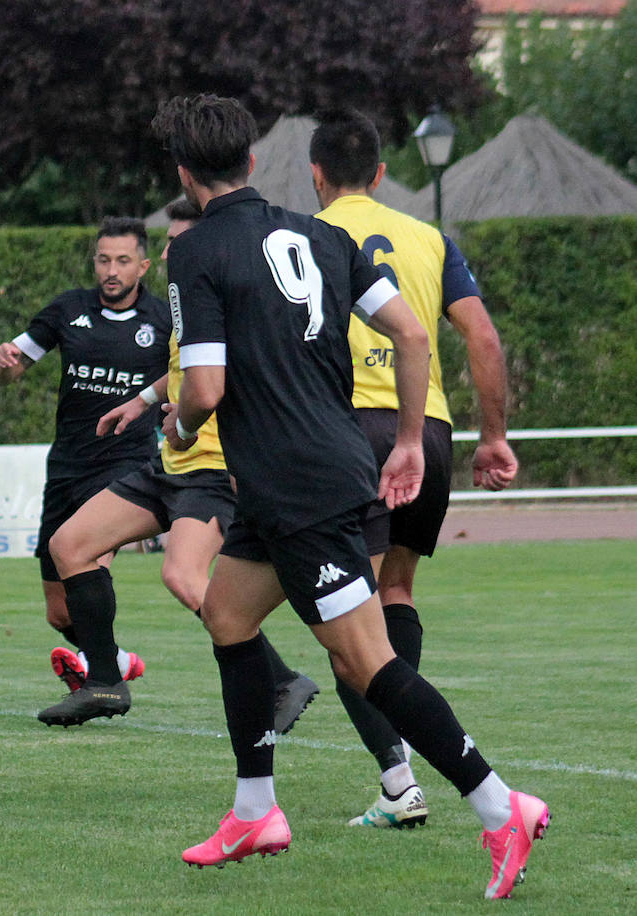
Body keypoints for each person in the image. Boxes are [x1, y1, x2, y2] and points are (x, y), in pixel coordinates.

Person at [156, 94, 546, 899]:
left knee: (364, 661)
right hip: (293, 480)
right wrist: (409, 438)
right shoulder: (321, 234)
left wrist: (176, 421)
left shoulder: (194, 253)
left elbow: (205, 385)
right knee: (228, 616)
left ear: (185, 175)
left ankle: (500, 806)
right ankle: (255, 810)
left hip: (304, 487)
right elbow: (410, 332)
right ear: (254, 163)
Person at [310, 107, 521, 830]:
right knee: (394, 590)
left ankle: (402, 778)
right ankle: (409, 758)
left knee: (344, 625)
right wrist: (494, 436)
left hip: (349, 432)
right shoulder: (431, 238)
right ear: (380, 173)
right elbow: (483, 337)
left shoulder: (309, 238)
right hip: (425, 431)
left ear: (315, 176)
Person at [42, 200, 318, 730]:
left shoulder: (228, 297)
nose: (167, 250)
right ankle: (104, 683)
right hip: (170, 465)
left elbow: (220, 380)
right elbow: (185, 369)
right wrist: (142, 401)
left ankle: (282, 680)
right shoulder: (185, 298)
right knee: (69, 546)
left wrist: (187, 422)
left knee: (183, 576)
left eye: (175, 240)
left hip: (214, 469)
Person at [0, 216, 166, 713]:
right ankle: (116, 660)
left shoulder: (163, 320)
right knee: (58, 610)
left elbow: (192, 376)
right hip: (66, 465)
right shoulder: (69, 309)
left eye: (123, 261)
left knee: (86, 555)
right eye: (104, 260)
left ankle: (105, 684)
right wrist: (4, 368)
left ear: (143, 265)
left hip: (126, 463)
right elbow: (12, 368)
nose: (111, 270)